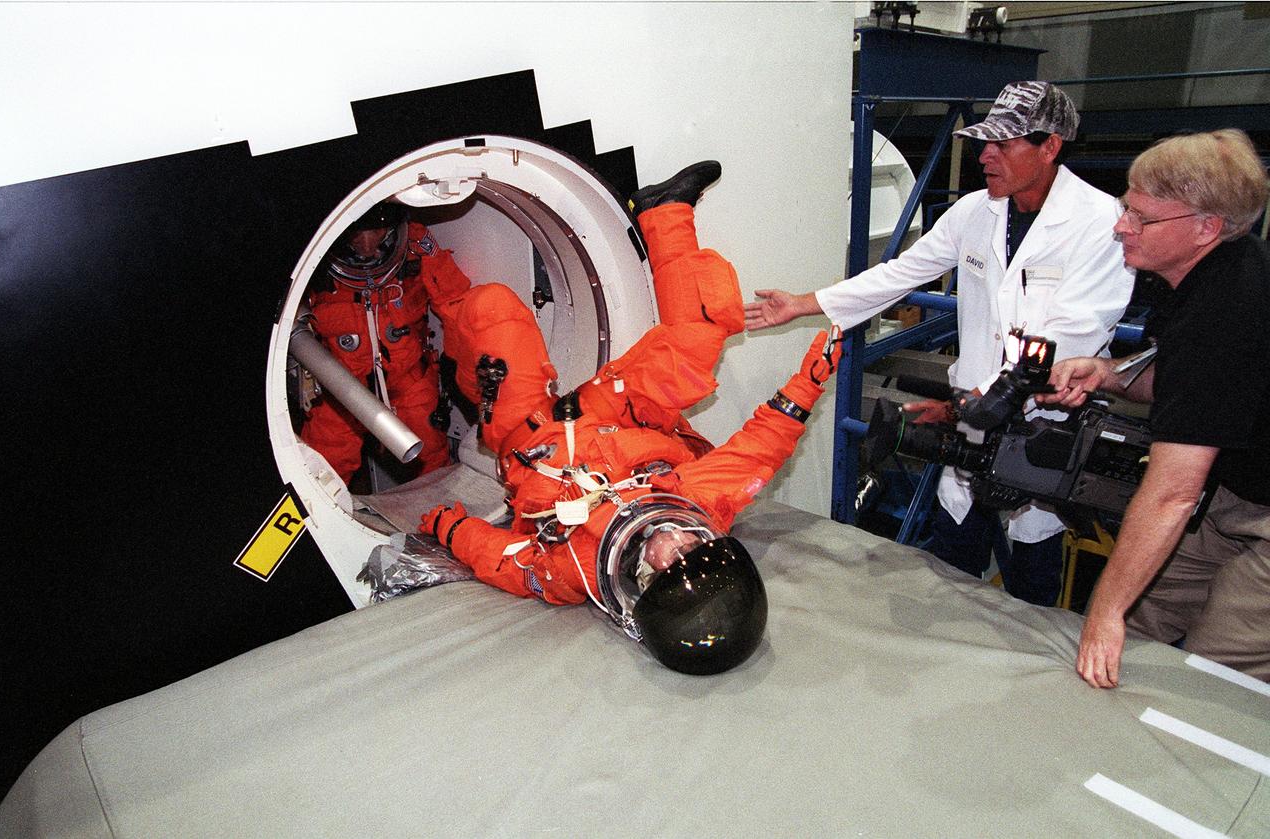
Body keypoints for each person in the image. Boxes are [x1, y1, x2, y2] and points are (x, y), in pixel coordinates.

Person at [417, 162, 843, 675]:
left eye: (674, 557)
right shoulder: (698, 502)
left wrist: (448, 526)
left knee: (492, 307)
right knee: (700, 335)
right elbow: (761, 448)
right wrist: (812, 380)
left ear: (643, 579)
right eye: (697, 544)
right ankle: (663, 210)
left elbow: (505, 560)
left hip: (532, 434)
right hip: (621, 416)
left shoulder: (572, 569)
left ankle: (426, 267)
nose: (681, 540)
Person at [744, 81, 1135, 606]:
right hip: (970, 423)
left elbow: (1072, 337)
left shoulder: (1100, 223)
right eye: (984, 142)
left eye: (1004, 144)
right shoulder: (976, 211)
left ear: (1050, 146)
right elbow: (900, 274)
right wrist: (803, 302)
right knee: (955, 568)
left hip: (1043, 431)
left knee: (1033, 578)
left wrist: (981, 406)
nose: (985, 155)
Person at [1039, 129, 1269, 687]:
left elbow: (1173, 492)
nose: (1121, 226)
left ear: (1206, 227)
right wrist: (1109, 376)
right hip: (1237, 488)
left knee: (1212, 671)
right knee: (1142, 619)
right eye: (1124, 209)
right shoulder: (1186, 275)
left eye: (1142, 218)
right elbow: (1183, 382)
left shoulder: (1229, 308)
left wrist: (1104, 613)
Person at [300, 203, 468, 483]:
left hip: (411, 377)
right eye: (355, 234)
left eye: (376, 232)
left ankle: (439, 520)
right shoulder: (311, 258)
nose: (367, 247)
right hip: (341, 385)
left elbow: (457, 302)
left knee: (430, 455)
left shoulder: (416, 245)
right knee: (323, 467)